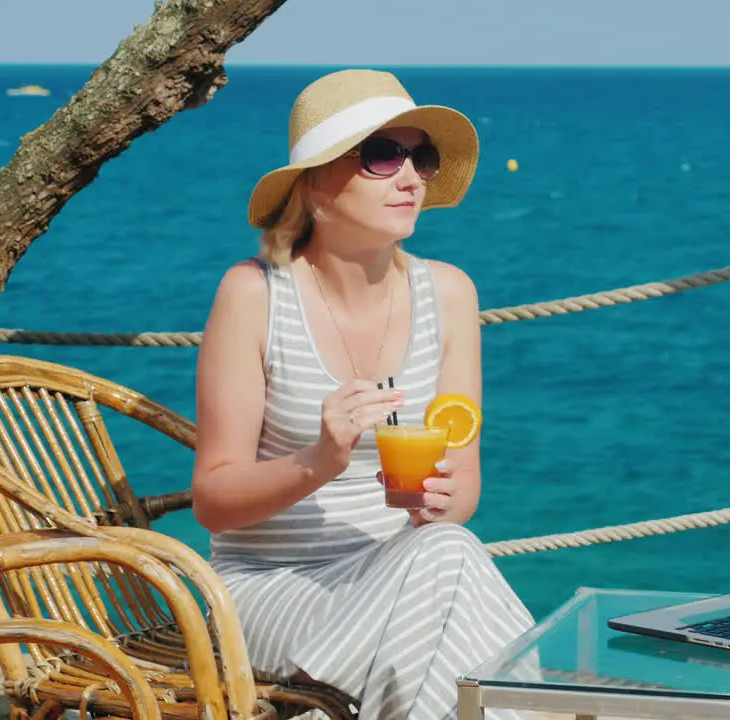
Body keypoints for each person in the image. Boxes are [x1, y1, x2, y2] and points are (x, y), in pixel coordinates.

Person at [191, 69, 534, 720]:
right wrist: (318, 461)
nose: (411, 177)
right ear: (314, 182)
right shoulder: (255, 294)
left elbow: (460, 492)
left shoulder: (451, 295)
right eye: (382, 155)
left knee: (446, 549)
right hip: (269, 589)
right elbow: (213, 502)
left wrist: (430, 502)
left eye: (421, 157)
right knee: (448, 577)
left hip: (401, 570)